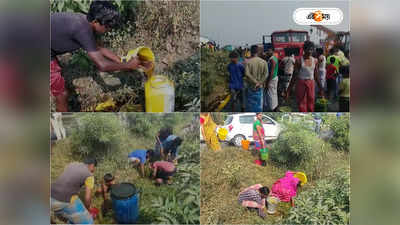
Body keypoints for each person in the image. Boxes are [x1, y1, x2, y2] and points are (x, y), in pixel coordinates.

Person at [51, 1, 152, 111]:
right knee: (62, 94)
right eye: (107, 26)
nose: (109, 30)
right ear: (95, 21)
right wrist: (128, 65)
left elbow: (98, 47)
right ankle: (61, 124)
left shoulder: (85, 22)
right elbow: (102, 65)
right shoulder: (82, 29)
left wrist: (121, 61)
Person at [50, 158, 97, 224]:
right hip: (64, 200)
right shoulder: (89, 175)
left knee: (72, 218)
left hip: (51, 196)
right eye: (94, 167)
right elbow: (87, 198)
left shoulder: (72, 164)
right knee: (89, 222)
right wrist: (88, 209)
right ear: (92, 165)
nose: (94, 170)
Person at [286, 41, 324, 112]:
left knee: (311, 102)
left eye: (311, 49)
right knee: (301, 103)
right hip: (301, 83)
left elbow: (316, 75)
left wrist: (321, 88)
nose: (310, 51)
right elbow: (294, 76)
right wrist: (288, 90)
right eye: (308, 49)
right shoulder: (299, 61)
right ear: (304, 50)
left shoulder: (315, 61)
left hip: (311, 83)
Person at [244, 45, 269, 112]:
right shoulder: (264, 62)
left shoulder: (248, 62)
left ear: (251, 52)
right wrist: (259, 83)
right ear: (258, 52)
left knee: (250, 105)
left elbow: (247, 74)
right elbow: (266, 74)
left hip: (251, 86)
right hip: (260, 87)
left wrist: (255, 82)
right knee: (259, 105)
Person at [264, 47, 279, 111]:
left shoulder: (272, 59)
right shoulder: (273, 58)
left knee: (271, 94)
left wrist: (267, 82)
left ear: (272, 51)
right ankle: (275, 107)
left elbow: (271, 72)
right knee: (273, 93)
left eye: (269, 50)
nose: (267, 52)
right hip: (274, 78)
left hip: (272, 79)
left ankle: (272, 108)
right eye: (267, 50)